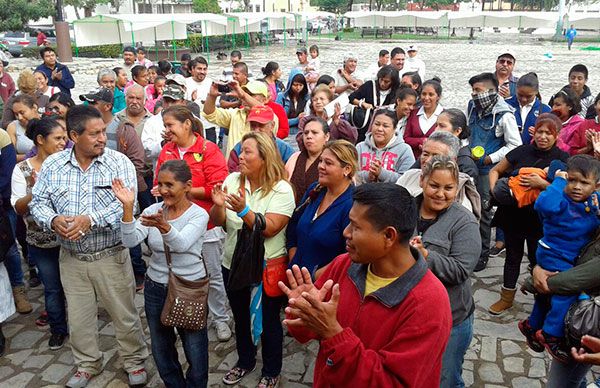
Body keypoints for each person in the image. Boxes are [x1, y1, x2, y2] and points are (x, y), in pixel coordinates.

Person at [281, 183, 452, 387]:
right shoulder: (344, 264)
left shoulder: (428, 303)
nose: (345, 232)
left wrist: (335, 335)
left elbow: (391, 383)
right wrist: (304, 309)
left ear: (389, 236)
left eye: (355, 226)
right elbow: (307, 332)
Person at [30, 105, 148, 388]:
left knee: (125, 315)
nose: (101, 139)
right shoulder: (53, 165)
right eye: (94, 134)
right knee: (80, 319)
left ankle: (134, 361)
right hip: (71, 258)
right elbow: (38, 202)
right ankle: (86, 364)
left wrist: (90, 220)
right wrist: (53, 219)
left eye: (102, 132)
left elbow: (127, 204)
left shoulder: (119, 163)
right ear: (74, 135)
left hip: (111, 255)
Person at [210, 131, 295, 388]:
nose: (240, 156)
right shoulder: (233, 179)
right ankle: (245, 361)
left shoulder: (282, 189)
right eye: (240, 151)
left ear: (264, 157)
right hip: (233, 262)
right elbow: (220, 221)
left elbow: (269, 228)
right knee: (239, 315)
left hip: (266, 266)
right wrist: (217, 205)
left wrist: (244, 210)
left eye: (247, 152)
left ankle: (271, 370)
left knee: (268, 321)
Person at [115, 160, 210, 387]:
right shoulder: (152, 210)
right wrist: (128, 209)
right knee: (161, 346)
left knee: (195, 347)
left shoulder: (199, 215)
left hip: (189, 286)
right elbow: (129, 240)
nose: (164, 190)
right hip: (156, 286)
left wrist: (164, 227)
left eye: (170, 184)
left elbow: (182, 244)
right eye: (160, 184)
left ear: (187, 186)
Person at [154, 105, 232, 342]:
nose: (167, 130)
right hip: (174, 223)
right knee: (181, 273)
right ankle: (187, 313)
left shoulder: (208, 149)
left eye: (170, 125)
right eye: (165, 126)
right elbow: (159, 182)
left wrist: (183, 192)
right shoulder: (167, 151)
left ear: (187, 124)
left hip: (206, 225)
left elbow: (218, 186)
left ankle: (221, 318)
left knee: (212, 274)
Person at [519, 155, 600, 363]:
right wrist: (558, 181)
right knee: (563, 296)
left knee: (545, 297)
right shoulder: (561, 200)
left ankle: (532, 325)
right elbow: (543, 205)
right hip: (554, 253)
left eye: (584, 183)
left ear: (596, 186)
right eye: (572, 180)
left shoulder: (592, 203)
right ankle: (551, 334)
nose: (576, 187)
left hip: (569, 257)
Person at [487, 113, 569, 316]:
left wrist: (543, 184)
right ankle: (506, 298)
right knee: (512, 258)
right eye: (539, 131)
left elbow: (568, 190)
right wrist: (495, 191)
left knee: (537, 261)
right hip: (513, 215)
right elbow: (495, 171)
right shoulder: (522, 151)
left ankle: (541, 302)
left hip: (541, 221)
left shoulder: (563, 160)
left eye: (548, 133)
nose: (543, 137)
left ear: (556, 135)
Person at [409, 156, 480, 387]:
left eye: (448, 188)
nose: (441, 194)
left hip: (451, 319)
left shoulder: (464, 222)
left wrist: (427, 256)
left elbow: (460, 270)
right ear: (422, 181)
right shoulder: (405, 209)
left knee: (445, 378)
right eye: (434, 186)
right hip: (409, 314)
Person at [11, 116, 69, 350]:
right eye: (58, 138)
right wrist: (36, 190)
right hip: (41, 241)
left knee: (76, 286)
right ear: (40, 140)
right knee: (53, 287)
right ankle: (58, 329)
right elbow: (18, 207)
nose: (64, 142)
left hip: (71, 237)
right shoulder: (22, 170)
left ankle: (80, 324)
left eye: (64, 137)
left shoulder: (69, 163)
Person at [467, 72, 521, 272]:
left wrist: (491, 158)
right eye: (473, 91)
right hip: (469, 165)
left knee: (483, 212)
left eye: (478, 91)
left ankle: (482, 255)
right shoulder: (473, 107)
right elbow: (467, 131)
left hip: (488, 170)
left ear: (492, 91)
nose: (474, 95)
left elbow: (515, 145)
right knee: (467, 209)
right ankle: (468, 249)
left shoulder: (505, 115)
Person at [287, 139, 356, 279]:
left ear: (347, 169)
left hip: (322, 289)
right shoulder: (315, 190)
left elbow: (349, 256)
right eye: (320, 161)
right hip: (295, 280)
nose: (321, 166)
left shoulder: (352, 205)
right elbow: (293, 225)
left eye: (328, 163)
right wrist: (293, 258)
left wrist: (314, 276)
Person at [397, 131, 481, 219]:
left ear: (453, 160)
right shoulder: (409, 176)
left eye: (436, 157)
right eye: (425, 154)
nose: (428, 160)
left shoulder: (460, 193)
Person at [0, 126, 31, 316]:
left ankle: (18, 288)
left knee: (9, 247)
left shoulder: (2, 137)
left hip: (3, 205)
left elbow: (7, 172)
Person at [202, 80, 271, 154]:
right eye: (244, 93)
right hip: (232, 164)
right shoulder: (235, 114)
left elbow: (263, 111)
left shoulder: (269, 118)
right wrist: (212, 96)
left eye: (251, 95)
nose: (244, 98)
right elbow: (210, 114)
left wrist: (244, 95)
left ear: (264, 99)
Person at [227, 105, 293, 173]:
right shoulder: (239, 148)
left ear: (272, 125)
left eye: (261, 125)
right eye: (253, 125)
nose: (256, 130)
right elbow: (233, 174)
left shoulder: (284, 149)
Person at [356, 109, 415, 184]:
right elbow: (350, 175)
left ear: (394, 129)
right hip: (361, 194)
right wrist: (368, 176)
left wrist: (382, 173)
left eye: (385, 126)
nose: (380, 129)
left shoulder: (404, 150)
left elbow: (407, 180)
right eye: (377, 124)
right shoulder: (360, 147)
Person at [141, 79, 189, 168]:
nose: (170, 105)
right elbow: (146, 151)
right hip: (162, 175)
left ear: (183, 102)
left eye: (174, 101)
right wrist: (163, 143)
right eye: (167, 101)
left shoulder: (192, 122)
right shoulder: (152, 122)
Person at [285, 116, 330, 204]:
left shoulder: (332, 161)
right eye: (306, 133)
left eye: (314, 133)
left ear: (326, 136)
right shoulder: (295, 157)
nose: (309, 136)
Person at [506, 72, 552, 144]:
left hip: (533, 152)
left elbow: (552, 136)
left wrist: (540, 134)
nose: (524, 99)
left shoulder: (545, 110)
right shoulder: (505, 105)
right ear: (516, 89)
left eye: (528, 96)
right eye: (520, 95)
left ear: (536, 92)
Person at [404, 78, 444, 159]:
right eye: (424, 94)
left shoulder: (445, 115)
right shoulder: (413, 113)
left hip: (436, 161)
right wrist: (422, 141)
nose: (426, 98)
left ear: (438, 97)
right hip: (412, 159)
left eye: (431, 94)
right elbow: (405, 138)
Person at [436, 108, 479, 179]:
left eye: (442, 126)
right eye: (436, 125)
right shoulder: (432, 150)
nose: (436, 130)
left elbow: (467, 188)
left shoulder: (465, 163)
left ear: (458, 131)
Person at [276, 69, 309, 135]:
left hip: (301, 133)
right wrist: (297, 120)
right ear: (290, 84)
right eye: (295, 85)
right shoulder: (281, 98)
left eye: (300, 85)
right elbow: (278, 121)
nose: (298, 88)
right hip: (284, 133)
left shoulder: (307, 98)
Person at [553, 87, 585, 155]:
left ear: (570, 106)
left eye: (558, 105)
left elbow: (573, 152)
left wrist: (557, 141)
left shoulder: (579, 125)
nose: (554, 108)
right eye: (553, 104)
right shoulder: (549, 119)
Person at [7, 94, 39, 162]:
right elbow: (8, 156)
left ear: (34, 108)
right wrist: (32, 155)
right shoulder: (13, 127)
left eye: (22, 112)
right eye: (16, 114)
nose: (19, 117)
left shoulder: (46, 124)